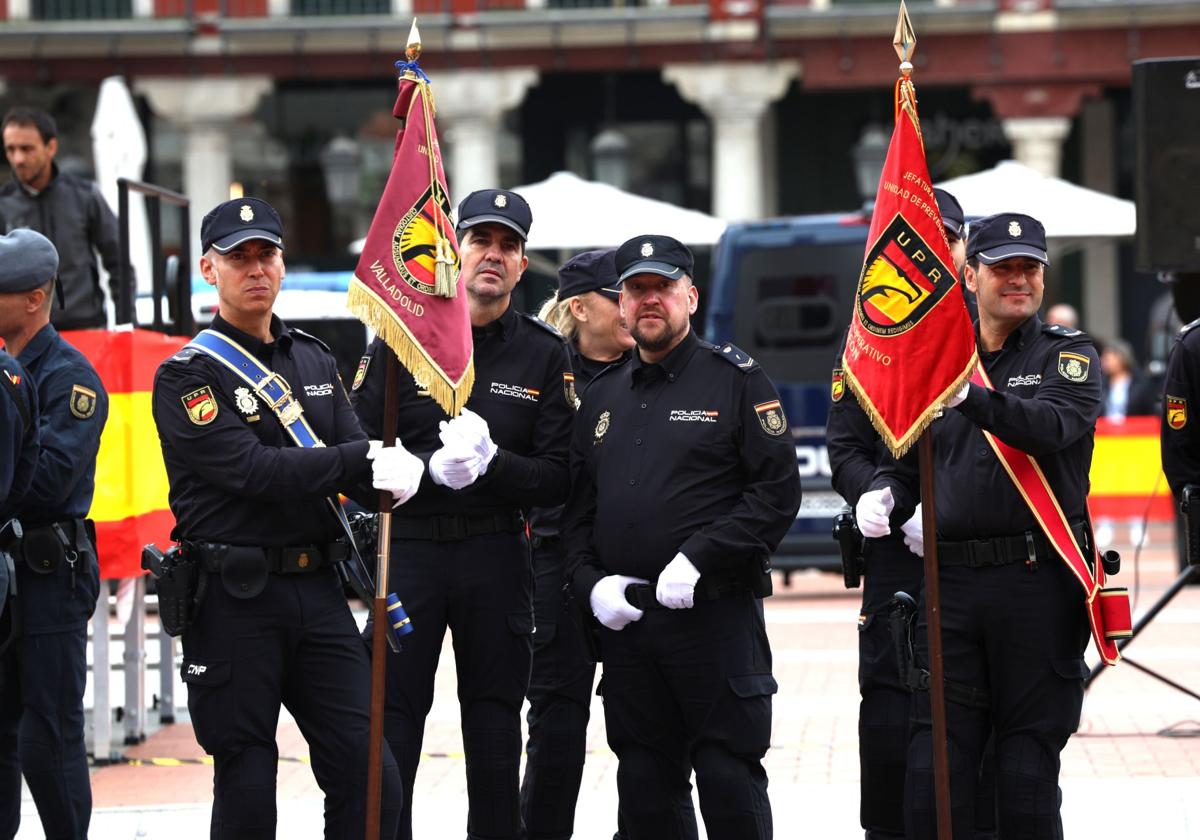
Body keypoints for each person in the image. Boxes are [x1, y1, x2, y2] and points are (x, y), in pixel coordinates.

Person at [151, 197, 412, 838]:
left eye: (265, 254)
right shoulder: (187, 375)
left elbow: (353, 457)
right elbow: (252, 471)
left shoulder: (314, 359)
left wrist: (405, 469)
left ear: (282, 263)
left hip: (319, 591)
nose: (255, 268)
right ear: (209, 271)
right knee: (247, 780)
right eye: (238, 258)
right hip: (236, 598)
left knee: (371, 772)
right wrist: (361, 457)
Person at [856, 213, 1100, 839]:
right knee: (936, 768)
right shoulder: (939, 360)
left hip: (1033, 584)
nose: (1018, 280)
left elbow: (1050, 428)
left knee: (1023, 770)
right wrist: (884, 491)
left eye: (1030, 268)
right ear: (970, 275)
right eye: (1003, 268)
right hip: (951, 587)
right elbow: (906, 458)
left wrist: (974, 397)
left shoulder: (1067, 355)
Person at [350, 188, 575, 840]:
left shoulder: (542, 352)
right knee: (392, 722)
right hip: (411, 552)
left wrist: (494, 466)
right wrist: (400, 471)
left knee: (496, 726)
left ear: (523, 264)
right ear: (455, 248)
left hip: (496, 555)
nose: (493, 256)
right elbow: (354, 445)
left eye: (508, 246)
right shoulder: (401, 338)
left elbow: (559, 477)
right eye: (481, 240)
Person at [563, 233, 802, 840]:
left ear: (690, 297)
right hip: (631, 630)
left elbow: (775, 495)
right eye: (636, 289)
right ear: (619, 305)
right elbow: (577, 515)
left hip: (714, 622)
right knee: (644, 789)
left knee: (728, 782)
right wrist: (592, 585)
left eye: (662, 288)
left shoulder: (736, 380)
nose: (649, 300)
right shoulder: (601, 397)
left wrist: (700, 556)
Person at [828, 187, 978, 840]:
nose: (936, 253)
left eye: (946, 239)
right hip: (894, 555)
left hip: (971, 559)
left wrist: (946, 509)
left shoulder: (987, 330)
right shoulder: (870, 334)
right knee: (888, 716)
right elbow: (844, 443)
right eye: (922, 241)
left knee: (963, 719)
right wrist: (873, 496)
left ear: (964, 250)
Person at [0, 229, 107, 840]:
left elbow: (44, 481)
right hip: (3, 573)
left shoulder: (73, 379)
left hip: (46, 574)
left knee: (50, 732)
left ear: (34, 298)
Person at [523, 249, 634, 839]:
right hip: (556, 567)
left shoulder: (653, 367)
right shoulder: (544, 371)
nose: (631, 306)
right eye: (618, 296)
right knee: (557, 725)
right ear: (579, 308)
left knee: (646, 727)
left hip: (632, 566)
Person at [0, 107, 129, 330]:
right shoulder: (3, 203)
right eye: (11, 149)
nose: (18, 158)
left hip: (85, 328)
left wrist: (126, 324)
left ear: (51, 147)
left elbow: (120, 262)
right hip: (22, 336)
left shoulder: (84, 196)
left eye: (26, 148)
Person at [934, 187, 972, 320]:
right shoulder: (878, 314)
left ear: (966, 245)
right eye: (926, 241)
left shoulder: (987, 318)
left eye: (949, 241)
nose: (939, 253)